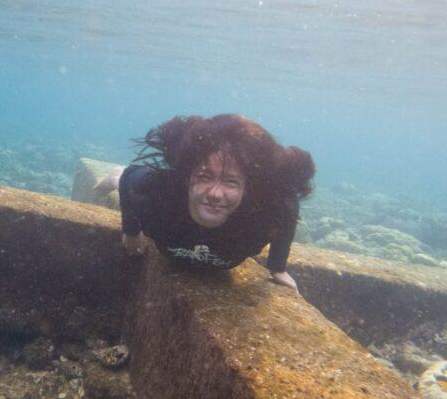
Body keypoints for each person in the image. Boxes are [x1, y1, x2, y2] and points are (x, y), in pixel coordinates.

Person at [111, 114, 315, 295]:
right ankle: (113, 174)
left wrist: (278, 267)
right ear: (187, 177)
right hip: (159, 186)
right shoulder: (159, 196)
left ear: (246, 189)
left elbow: (287, 207)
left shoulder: (261, 215)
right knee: (123, 176)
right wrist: (131, 232)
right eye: (204, 176)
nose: (215, 194)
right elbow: (129, 177)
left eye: (231, 182)